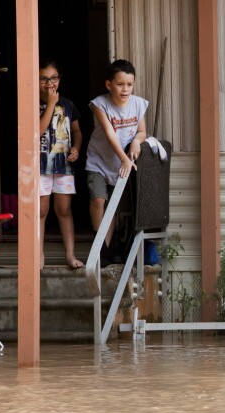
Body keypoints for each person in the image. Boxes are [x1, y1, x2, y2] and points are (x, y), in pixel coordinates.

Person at [84, 59, 148, 264]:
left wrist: (137, 142)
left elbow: (142, 131)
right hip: (99, 161)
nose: (125, 89)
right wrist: (124, 159)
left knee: (112, 208)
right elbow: (110, 133)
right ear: (108, 84)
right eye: (120, 84)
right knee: (98, 200)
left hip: (121, 165)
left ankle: (106, 250)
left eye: (129, 84)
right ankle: (99, 245)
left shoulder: (139, 104)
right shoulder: (99, 104)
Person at [38, 59, 83, 269]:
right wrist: (50, 105)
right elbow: (38, 131)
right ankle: (38, 255)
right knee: (41, 210)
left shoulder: (69, 105)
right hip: (39, 166)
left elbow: (76, 132)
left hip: (63, 166)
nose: (49, 84)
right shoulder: (32, 103)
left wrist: (77, 148)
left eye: (53, 78)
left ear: (60, 79)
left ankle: (70, 255)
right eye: (43, 79)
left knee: (64, 209)